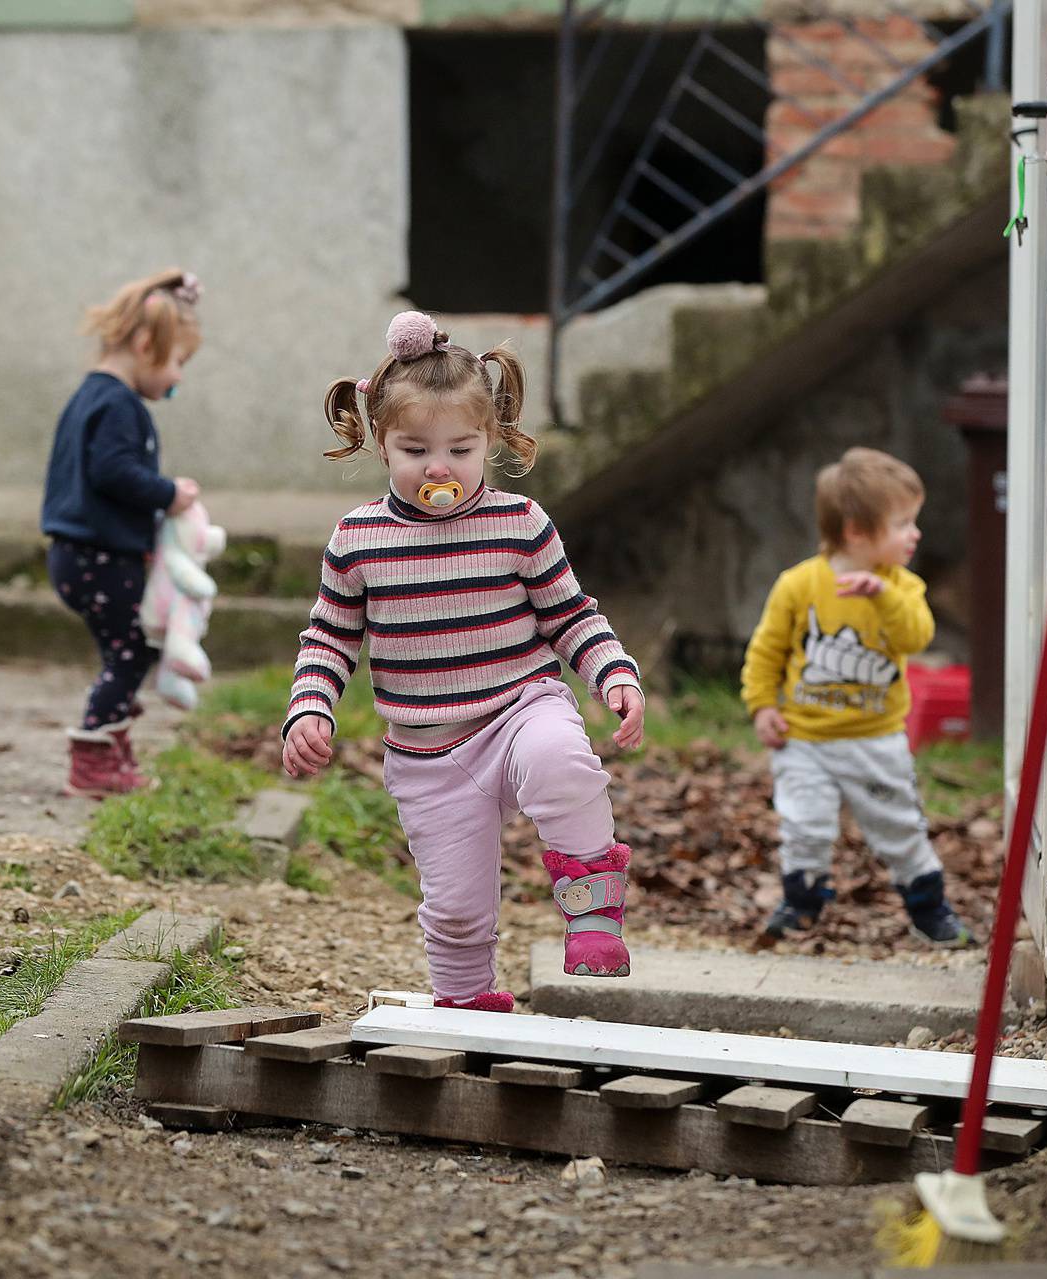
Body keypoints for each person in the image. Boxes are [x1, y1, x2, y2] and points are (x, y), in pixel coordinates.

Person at [281, 310, 646, 1012]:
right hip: (428, 753)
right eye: (416, 449)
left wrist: (614, 673)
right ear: (381, 443)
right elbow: (329, 637)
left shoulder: (521, 523)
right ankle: (465, 1001)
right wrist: (310, 707)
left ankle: (594, 906)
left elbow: (572, 615)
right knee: (453, 906)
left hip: (518, 707)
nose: (439, 468)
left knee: (562, 761)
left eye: (461, 447)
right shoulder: (359, 539)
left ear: (491, 441)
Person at [739, 446, 973, 946]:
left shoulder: (903, 588)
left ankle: (928, 906)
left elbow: (916, 637)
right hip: (804, 739)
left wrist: (883, 598)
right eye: (904, 523)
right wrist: (762, 705)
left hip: (877, 739)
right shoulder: (798, 585)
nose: (916, 533)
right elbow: (767, 650)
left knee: (899, 826)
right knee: (804, 825)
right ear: (856, 532)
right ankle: (801, 902)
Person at [41, 268, 203, 798]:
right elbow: (112, 471)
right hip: (100, 557)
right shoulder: (118, 404)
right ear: (143, 343)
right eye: (177, 361)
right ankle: (92, 755)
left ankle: (111, 750)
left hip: (80, 554)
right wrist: (167, 494)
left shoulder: (94, 396)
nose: (177, 378)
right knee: (132, 653)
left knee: (125, 652)